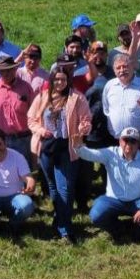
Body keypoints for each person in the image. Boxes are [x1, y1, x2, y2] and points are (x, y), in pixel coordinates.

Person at [27, 68, 91, 243]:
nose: (60, 83)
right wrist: (41, 130)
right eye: (56, 80)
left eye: (63, 80)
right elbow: (31, 119)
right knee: (53, 186)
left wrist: (82, 129)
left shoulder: (77, 97)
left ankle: (65, 228)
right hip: (47, 147)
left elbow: (86, 119)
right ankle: (59, 219)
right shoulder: (42, 97)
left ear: (68, 81)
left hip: (67, 147)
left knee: (66, 188)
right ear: (52, 80)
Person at [75, 126, 140, 242]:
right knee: (96, 214)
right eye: (125, 140)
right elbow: (90, 154)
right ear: (119, 141)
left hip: (137, 201)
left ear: (139, 144)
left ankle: (137, 231)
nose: (129, 144)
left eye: (133, 141)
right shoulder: (110, 153)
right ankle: (118, 229)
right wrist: (78, 146)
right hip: (113, 200)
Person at [0, 55, 34, 160]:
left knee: (25, 171)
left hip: (23, 138)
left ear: (15, 69)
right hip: (1, 140)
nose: (6, 73)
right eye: (3, 70)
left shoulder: (26, 87)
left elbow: (35, 112)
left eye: (9, 70)